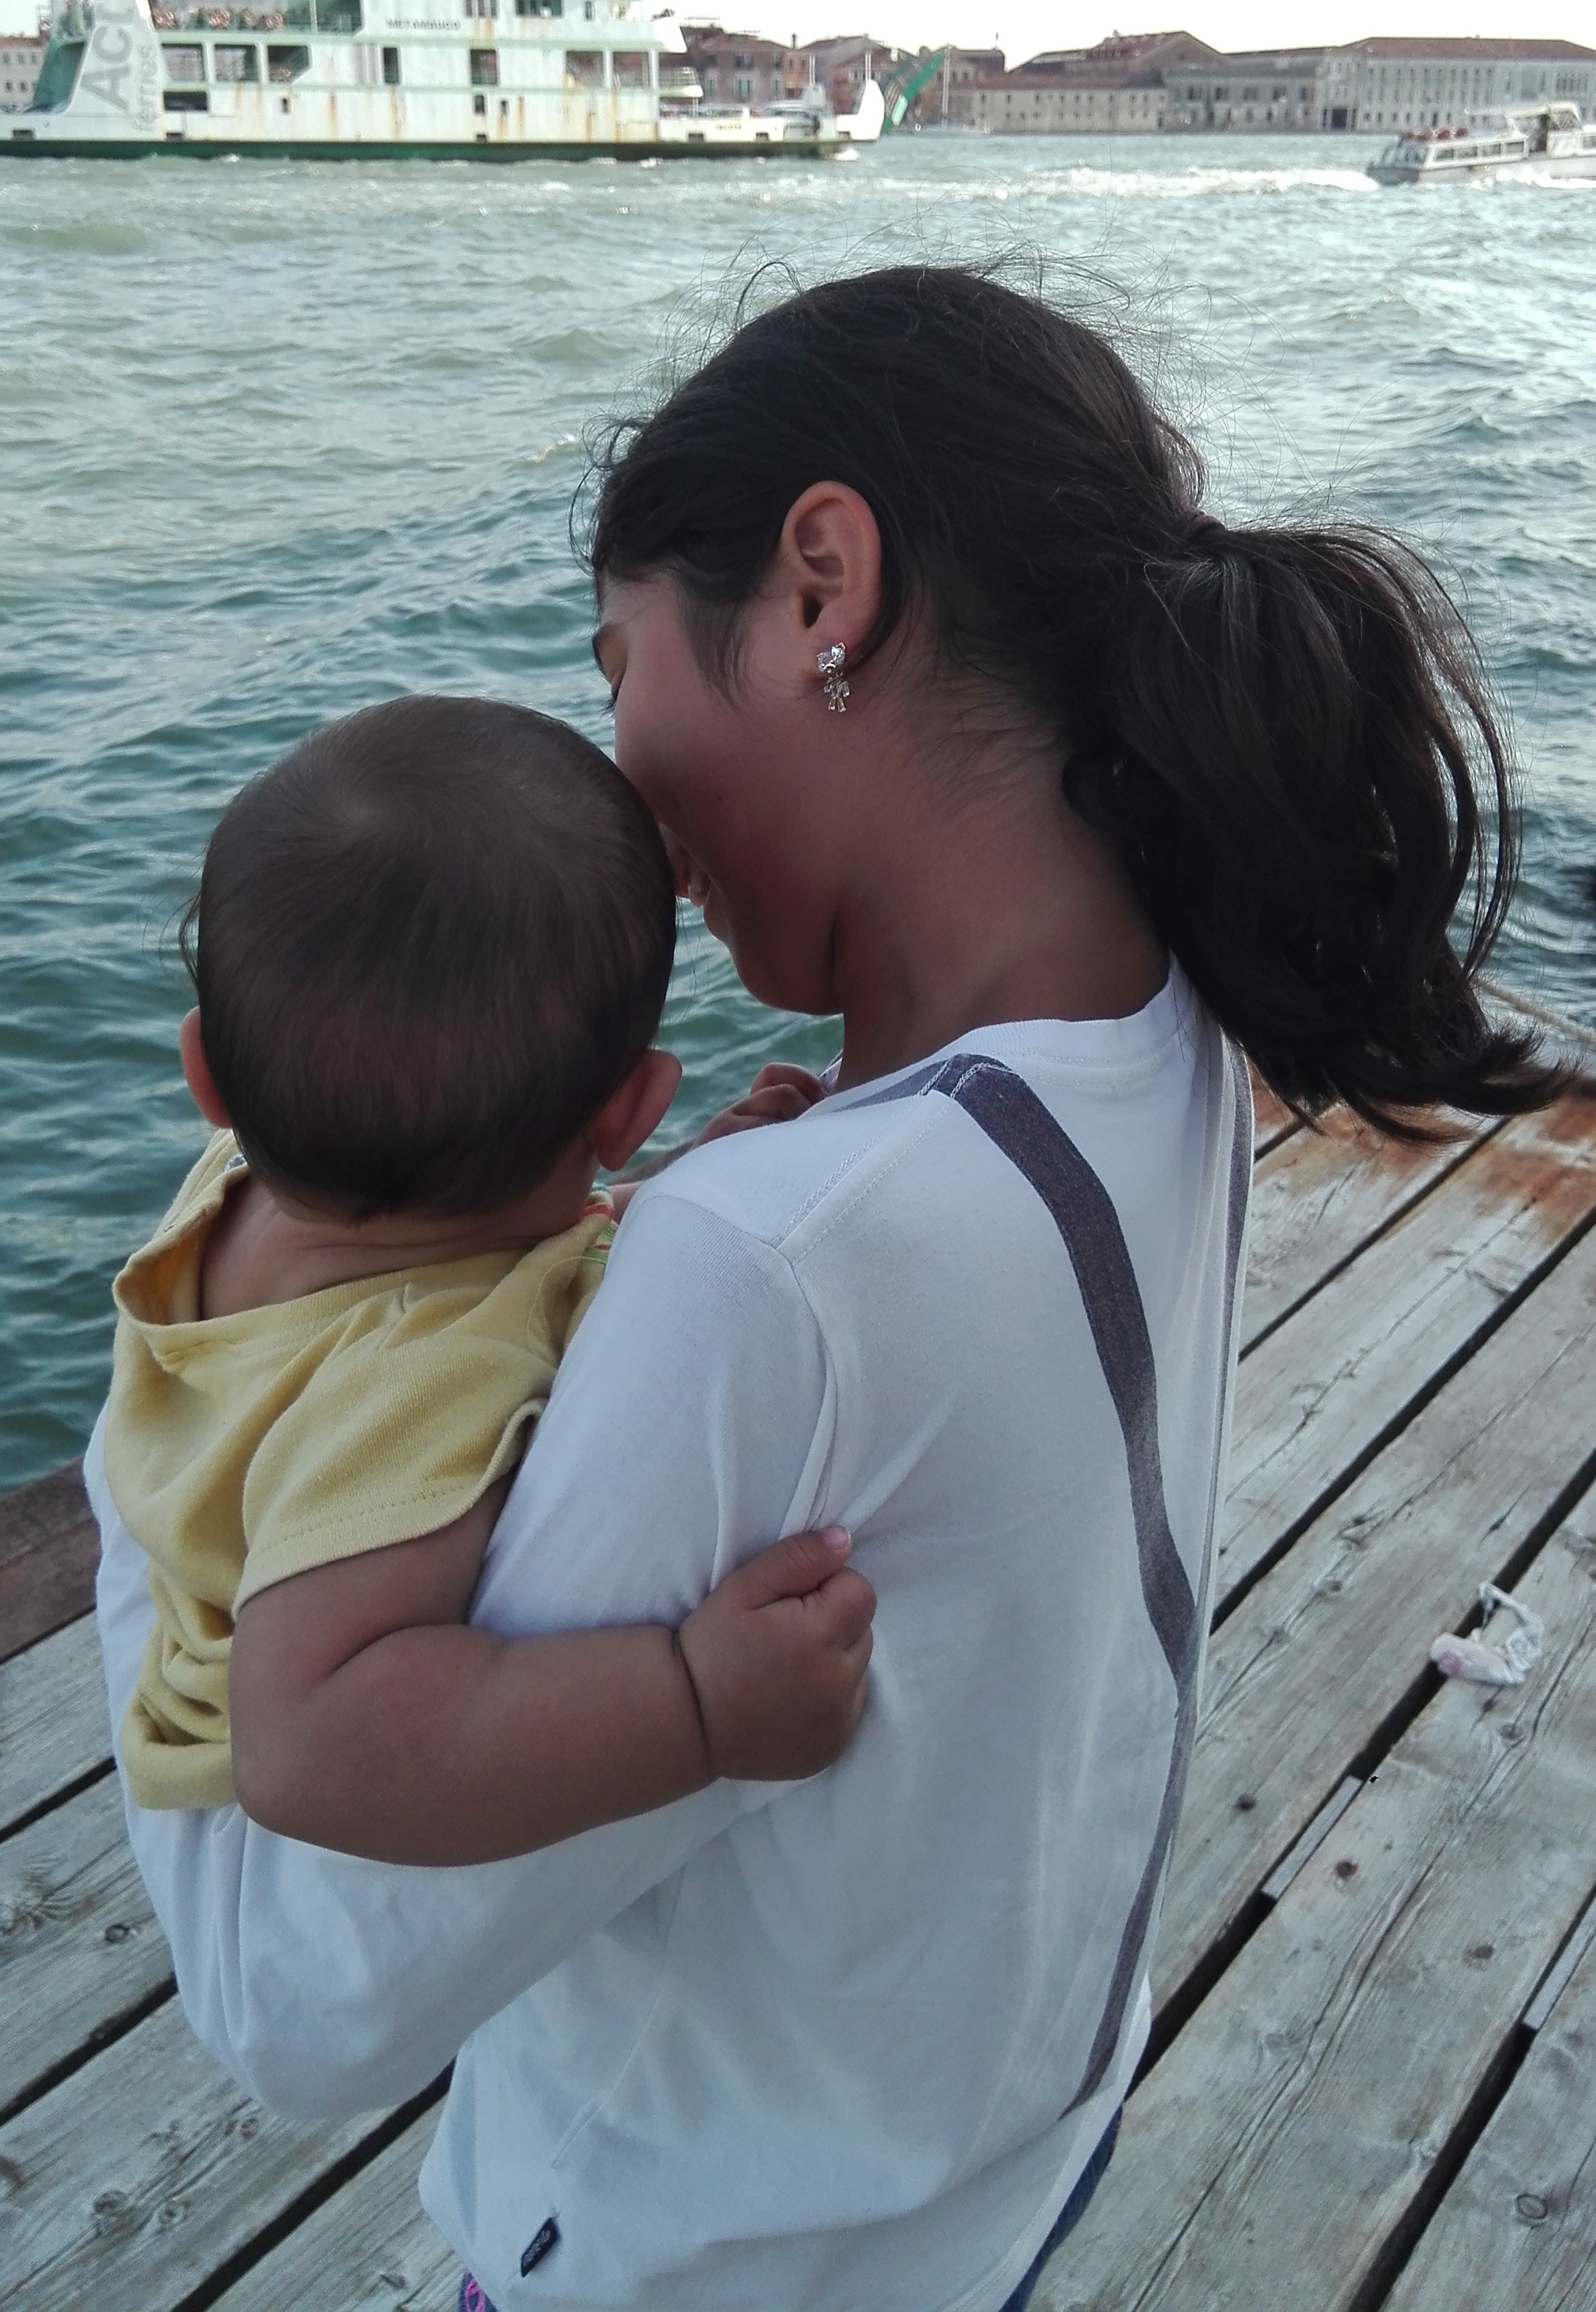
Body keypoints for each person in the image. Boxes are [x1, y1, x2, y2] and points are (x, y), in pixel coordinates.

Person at [90, 267, 1554, 2312]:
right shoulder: (1163, 1022)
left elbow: (294, 2000)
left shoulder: (764, 1268)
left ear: (819, 587)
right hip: (986, 2175)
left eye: (617, 668)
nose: (621, 789)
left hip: (707, 2263)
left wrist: (186, 1422)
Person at [102, 695, 872, 1864]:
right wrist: (697, 1701)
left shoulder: (233, 1187)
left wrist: (669, 1185)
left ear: (208, 1076)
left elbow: (481, 1234)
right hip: (294, 1805)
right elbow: (300, 1751)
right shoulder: (417, 1388)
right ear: (629, 1107)